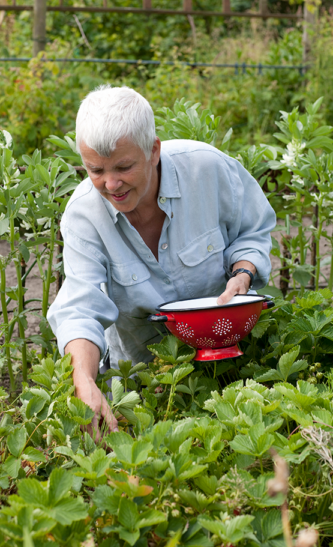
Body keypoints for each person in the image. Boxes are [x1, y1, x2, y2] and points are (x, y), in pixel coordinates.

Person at [47, 85, 276, 441]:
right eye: (95, 170)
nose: (111, 184)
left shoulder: (207, 169)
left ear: (153, 150)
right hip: (142, 385)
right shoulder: (84, 215)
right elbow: (80, 307)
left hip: (231, 367)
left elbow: (253, 229)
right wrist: (84, 380)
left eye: (124, 167)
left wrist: (243, 272)